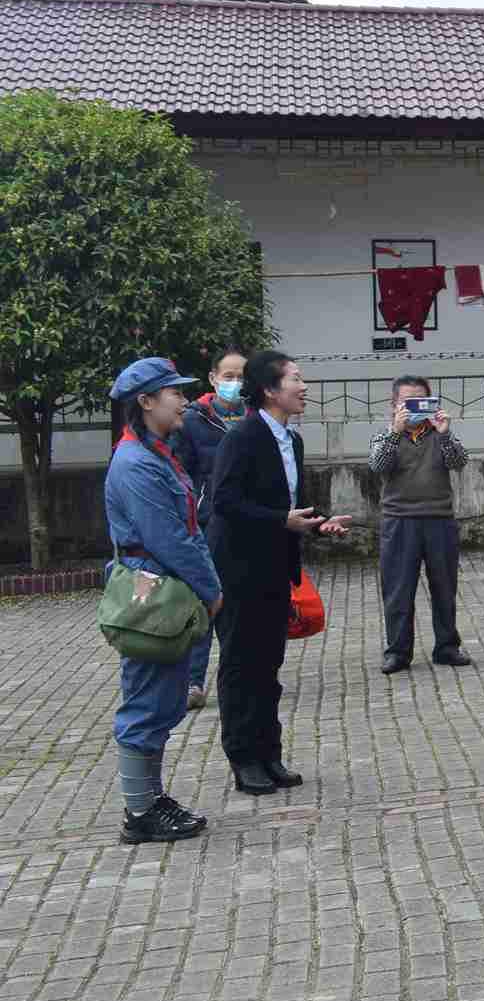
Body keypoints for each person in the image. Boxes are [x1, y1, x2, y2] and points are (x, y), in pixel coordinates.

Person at [211, 350, 352, 796]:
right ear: (270, 390)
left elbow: (292, 500)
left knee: (268, 667)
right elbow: (225, 502)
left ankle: (268, 754)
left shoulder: (291, 440)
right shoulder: (243, 436)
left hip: (276, 569)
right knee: (240, 666)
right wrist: (280, 520)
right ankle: (243, 759)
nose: (303, 386)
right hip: (238, 570)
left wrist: (320, 521)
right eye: (295, 378)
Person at [104, 358, 222, 844]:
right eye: (172, 392)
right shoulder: (135, 464)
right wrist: (211, 590)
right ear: (146, 402)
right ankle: (139, 813)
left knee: (164, 699)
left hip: (166, 587)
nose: (184, 399)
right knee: (147, 700)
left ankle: (150, 800)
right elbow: (169, 539)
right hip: (153, 593)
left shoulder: (155, 453)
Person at [369, 376, 473, 673]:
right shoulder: (385, 436)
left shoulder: (440, 435)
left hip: (439, 520)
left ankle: (447, 647)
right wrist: (395, 433)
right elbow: (378, 466)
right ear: (394, 406)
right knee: (398, 590)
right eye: (406, 403)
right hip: (399, 522)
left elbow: (459, 461)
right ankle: (398, 652)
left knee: (444, 588)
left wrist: (444, 433)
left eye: (420, 402)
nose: (414, 409)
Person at [172, 344, 247, 711]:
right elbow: (180, 473)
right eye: (228, 376)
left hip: (249, 525)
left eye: (240, 377)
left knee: (243, 607)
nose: (234, 383)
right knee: (205, 602)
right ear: (213, 379)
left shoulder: (256, 417)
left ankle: (241, 676)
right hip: (207, 523)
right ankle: (193, 681)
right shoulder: (193, 420)